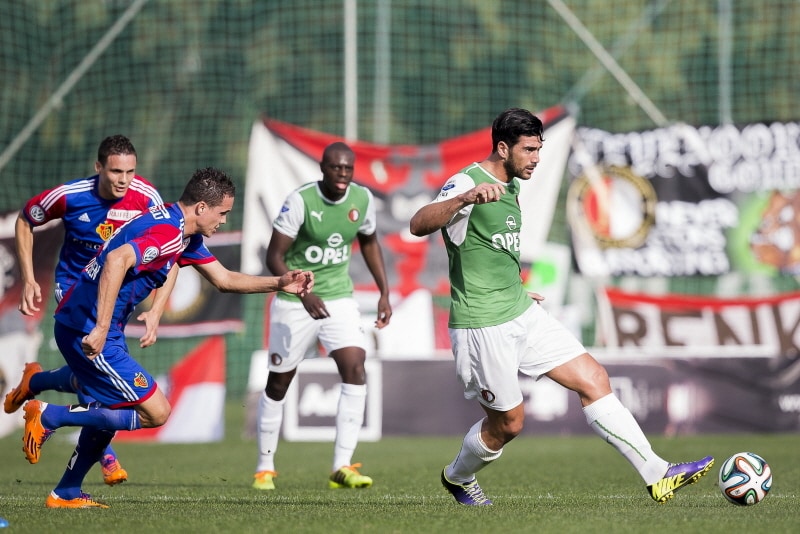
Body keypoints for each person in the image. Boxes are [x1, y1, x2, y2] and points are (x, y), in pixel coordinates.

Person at [409, 108, 714, 506]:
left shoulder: (512, 184)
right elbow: (418, 224)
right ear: (503, 148)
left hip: (520, 311)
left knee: (593, 377)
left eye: (539, 149)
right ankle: (458, 476)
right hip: (481, 325)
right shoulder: (468, 182)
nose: (536, 158)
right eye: (529, 150)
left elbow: (487, 249)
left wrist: (514, 288)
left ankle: (657, 474)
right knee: (507, 425)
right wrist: (464, 197)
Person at [18, 167, 314, 509]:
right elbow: (116, 260)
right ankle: (51, 416)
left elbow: (224, 279)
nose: (223, 221)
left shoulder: (183, 233)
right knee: (156, 412)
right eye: (223, 213)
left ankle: (66, 491)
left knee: (115, 406)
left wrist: (280, 283)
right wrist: (99, 327)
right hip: (86, 326)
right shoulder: (167, 232)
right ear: (202, 208)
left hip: (87, 325)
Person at [5, 134, 167, 487]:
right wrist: (30, 279)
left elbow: (171, 246)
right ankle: (104, 457)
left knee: (90, 373)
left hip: (114, 298)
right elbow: (24, 220)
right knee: (96, 368)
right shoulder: (69, 196)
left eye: (130, 171)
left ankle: (37, 381)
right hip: (73, 292)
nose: (124, 179)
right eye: (115, 171)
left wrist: (155, 308)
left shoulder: (147, 197)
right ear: (98, 168)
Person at [252, 141, 392, 491]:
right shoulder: (300, 201)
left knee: (356, 367)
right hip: (295, 299)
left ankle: (342, 466)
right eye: (336, 168)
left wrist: (384, 292)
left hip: (338, 297)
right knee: (279, 383)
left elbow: (370, 241)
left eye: (348, 168)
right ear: (322, 168)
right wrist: (302, 290)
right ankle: (264, 467)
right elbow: (274, 257)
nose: (342, 175)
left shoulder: (362, 199)